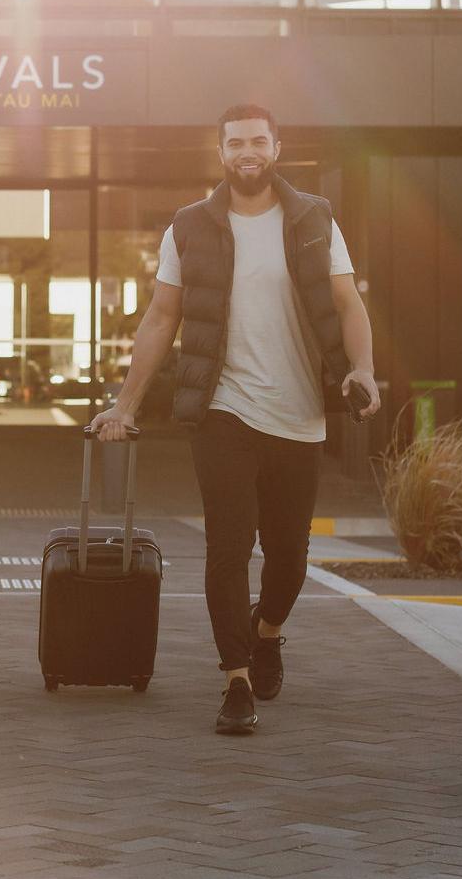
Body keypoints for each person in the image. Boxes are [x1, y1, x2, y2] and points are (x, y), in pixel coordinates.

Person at [92, 105, 380, 736]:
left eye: (258, 141)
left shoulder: (313, 220)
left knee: (289, 560)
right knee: (228, 550)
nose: (247, 151)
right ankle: (236, 680)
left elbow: (346, 300)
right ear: (220, 152)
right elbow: (161, 319)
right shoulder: (190, 226)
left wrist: (363, 369)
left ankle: (267, 630)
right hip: (223, 411)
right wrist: (125, 404)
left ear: (277, 146)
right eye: (235, 143)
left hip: (299, 414)